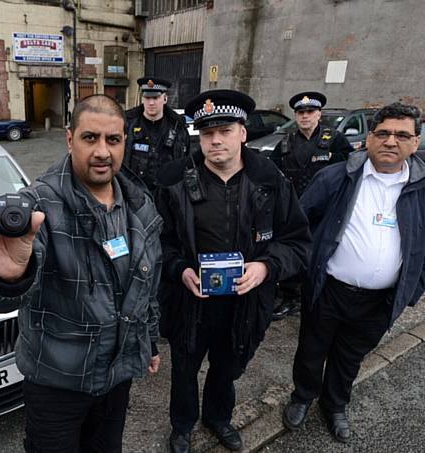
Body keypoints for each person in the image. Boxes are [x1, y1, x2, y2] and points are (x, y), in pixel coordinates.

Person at [0, 94, 163, 453]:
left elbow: (148, 283)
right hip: (57, 385)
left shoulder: (138, 204)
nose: (102, 151)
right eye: (90, 138)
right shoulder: (38, 205)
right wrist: (9, 277)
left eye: (113, 140)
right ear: (69, 139)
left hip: (116, 378)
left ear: (124, 143)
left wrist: (149, 339)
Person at [155, 89, 311, 452]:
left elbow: (298, 243)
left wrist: (266, 267)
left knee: (227, 370)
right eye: (207, 133)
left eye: (224, 130)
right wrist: (179, 269)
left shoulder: (270, 182)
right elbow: (158, 242)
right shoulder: (174, 181)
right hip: (190, 302)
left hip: (245, 303)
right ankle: (182, 426)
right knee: (183, 371)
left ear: (242, 132)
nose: (215, 140)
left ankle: (218, 418)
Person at [283, 102, 425, 443]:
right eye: (383, 133)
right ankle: (302, 396)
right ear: (369, 138)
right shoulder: (336, 176)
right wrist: (304, 273)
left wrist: (413, 288)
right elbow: (300, 225)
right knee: (311, 349)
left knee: (349, 357)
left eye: (402, 135)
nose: (391, 141)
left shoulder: (422, 190)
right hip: (329, 289)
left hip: (379, 301)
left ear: (416, 142)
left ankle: (334, 405)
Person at [269, 91, 353, 320]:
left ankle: (312, 295)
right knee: (291, 249)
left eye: (310, 112)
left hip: (324, 211)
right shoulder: (286, 142)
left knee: (318, 253)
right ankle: (288, 296)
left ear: (319, 114)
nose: (305, 116)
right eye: (300, 112)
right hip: (294, 209)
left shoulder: (334, 140)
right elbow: (272, 173)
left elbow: (350, 172)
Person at [124, 76, 190, 192]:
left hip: (168, 196)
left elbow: (186, 164)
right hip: (135, 195)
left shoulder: (178, 129)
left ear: (165, 99)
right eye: (147, 98)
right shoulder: (128, 126)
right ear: (142, 99)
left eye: (155, 97)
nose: (151, 102)